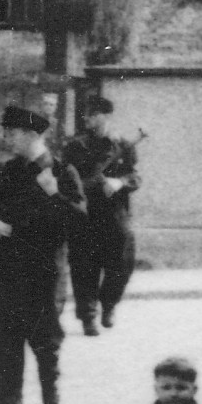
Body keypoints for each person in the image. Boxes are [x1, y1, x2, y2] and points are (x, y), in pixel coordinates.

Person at [0, 105, 89, 404]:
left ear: (32, 135)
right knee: (5, 333)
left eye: (12, 133)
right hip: (6, 264)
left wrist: (55, 194)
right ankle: (11, 402)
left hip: (44, 266)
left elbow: (81, 222)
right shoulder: (3, 172)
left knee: (45, 333)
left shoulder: (62, 172)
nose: (7, 139)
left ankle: (48, 378)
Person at [62, 96, 141, 335]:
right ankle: (88, 317)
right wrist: (88, 186)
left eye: (93, 114)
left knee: (122, 263)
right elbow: (65, 179)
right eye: (87, 114)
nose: (88, 118)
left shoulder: (123, 145)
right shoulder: (75, 146)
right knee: (83, 265)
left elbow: (135, 177)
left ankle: (109, 305)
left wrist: (119, 182)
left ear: (106, 116)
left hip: (115, 214)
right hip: (85, 214)